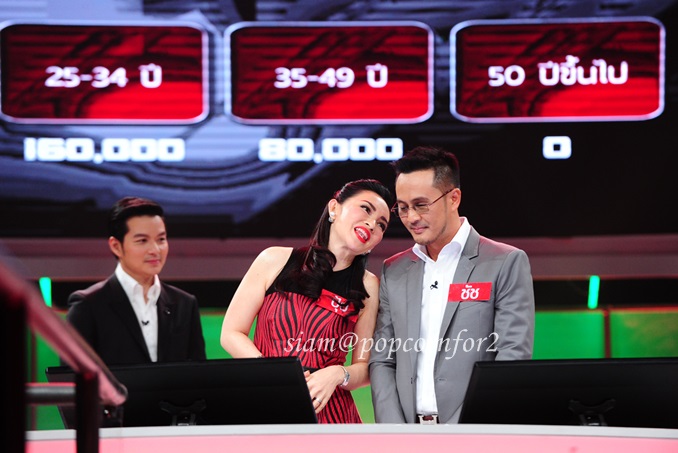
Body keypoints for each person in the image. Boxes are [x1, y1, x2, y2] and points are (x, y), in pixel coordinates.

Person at [369, 146, 535, 424]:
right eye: (403, 207)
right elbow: (382, 359)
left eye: (421, 205)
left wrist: (466, 429)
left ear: (453, 198)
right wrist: (395, 431)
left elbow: (512, 356)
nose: (411, 217)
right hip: (407, 435)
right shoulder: (393, 269)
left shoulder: (505, 261)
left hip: (477, 432)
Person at [220, 179, 393, 423]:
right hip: (267, 402)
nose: (372, 224)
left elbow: (365, 367)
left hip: (331, 417)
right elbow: (231, 333)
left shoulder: (368, 285)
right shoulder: (274, 259)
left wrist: (337, 374)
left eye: (381, 224)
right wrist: (273, 373)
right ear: (334, 208)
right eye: (365, 209)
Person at [66, 196, 206, 366]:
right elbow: (73, 376)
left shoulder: (185, 304)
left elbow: (198, 374)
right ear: (116, 246)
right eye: (142, 241)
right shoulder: (87, 305)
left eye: (161, 239)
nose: (155, 250)